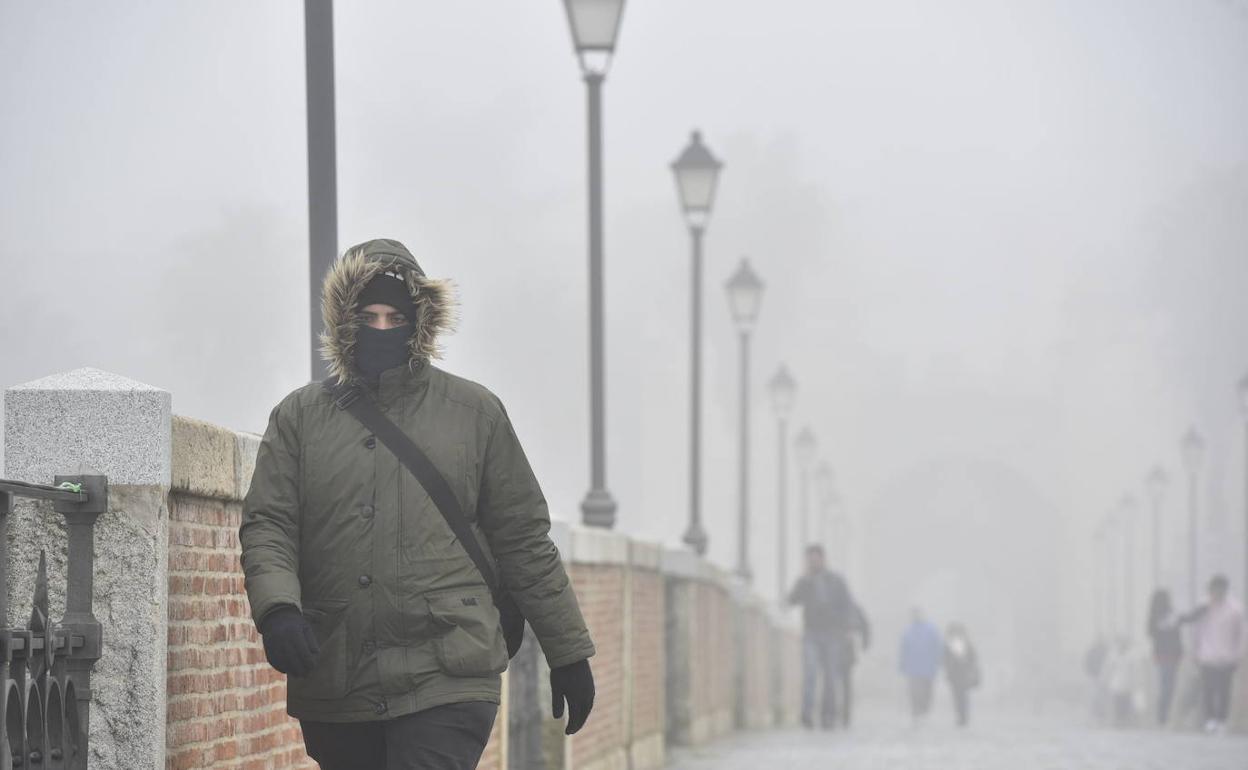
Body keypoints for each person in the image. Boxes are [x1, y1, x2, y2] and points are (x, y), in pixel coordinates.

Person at [239, 239, 597, 770]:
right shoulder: (299, 418)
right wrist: (278, 610)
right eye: (369, 315)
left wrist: (567, 652)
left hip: (449, 669)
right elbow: (268, 523)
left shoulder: (474, 412)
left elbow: (522, 537)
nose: (382, 329)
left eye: (395, 317)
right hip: (338, 673)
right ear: (344, 319)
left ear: (420, 323)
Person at [787, 544, 857, 729]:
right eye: (810, 559)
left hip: (833, 634)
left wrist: (848, 628)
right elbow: (792, 600)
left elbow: (847, 605)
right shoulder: (805, 581)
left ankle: (828, 715)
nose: (813, 562)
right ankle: (807, 714)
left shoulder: (836, 581)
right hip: (811, 633)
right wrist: (804, 581)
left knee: (830, 677)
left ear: (823, 559)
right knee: (810, 673)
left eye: (816, 558)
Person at [1185, 575, 1247, 734]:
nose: (1216, 592)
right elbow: (1196, 630)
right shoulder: (1203, 607)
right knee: (1208, 689)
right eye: (1214, 589)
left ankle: (1222, 720)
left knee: (1224, 690)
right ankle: (1210, 720)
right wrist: (1195, 651)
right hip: (1207, 656)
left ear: (1225, 589)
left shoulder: (1235, 609)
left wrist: (1239, 654)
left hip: (1228, 657)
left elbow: (1240, 634)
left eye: (1220, 589)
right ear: (1210, 590)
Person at [899, 609, 943, 727]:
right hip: (913, 668)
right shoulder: (908, 631)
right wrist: (903, 663)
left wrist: (938, 661)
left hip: (928, 667)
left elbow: (937, 646)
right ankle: (916, 711)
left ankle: (924, 710)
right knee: (914, 691)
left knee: (927, 691)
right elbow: (904, 649)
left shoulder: (931, 630)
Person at [1145, 588, 1183, 726]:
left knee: (1170, 685)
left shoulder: (1173, 615)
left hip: (1172, 654)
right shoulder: (1154, 617)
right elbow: (1151, 633)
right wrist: (1163, 627)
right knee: (1166, 685)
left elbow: (1181, 628)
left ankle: (1164, 712)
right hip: (1162, 654)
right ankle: (1162, 713)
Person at [838, 601, 871, 728]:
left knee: (844, 684)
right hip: (838, 651)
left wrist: (865, 642)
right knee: (840, 684)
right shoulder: (850, 606)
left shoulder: (850, 607)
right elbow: (864, 625)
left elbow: (864, 625)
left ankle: (844, 714)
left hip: (845, 652)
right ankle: (838, 713)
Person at [942, 623, 980, 727]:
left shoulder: (957, 644)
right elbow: (946, 660)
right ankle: (962, 716)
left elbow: (946, 660)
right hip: (958, 674)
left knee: (960, 696)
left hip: (960, 674)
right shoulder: (963, 644)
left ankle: (962, 716)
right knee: (960, 696)